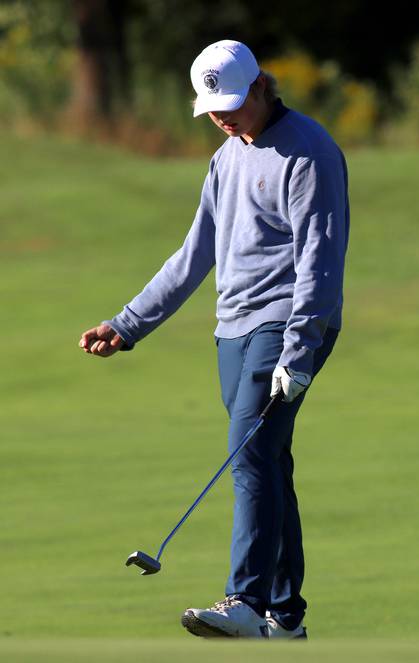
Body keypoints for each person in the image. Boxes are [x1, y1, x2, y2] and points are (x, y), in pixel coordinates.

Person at [78, 39, 350, 639]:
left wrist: (299, 350)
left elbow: (321, 262)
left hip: (287, 322)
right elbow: (195, 253)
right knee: (268, 460)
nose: (222, 118)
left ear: (260, 87)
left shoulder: (308, 153)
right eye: (212, 108)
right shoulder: (227, 159)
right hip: (232, 326)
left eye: (230, 104)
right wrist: (127, 324)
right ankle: (285, 616)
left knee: (249, 454)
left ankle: (245, 600)